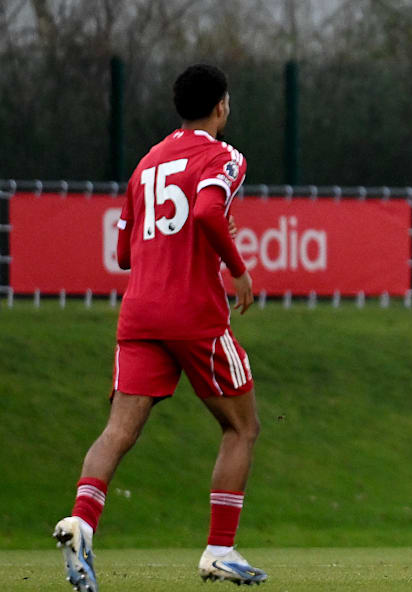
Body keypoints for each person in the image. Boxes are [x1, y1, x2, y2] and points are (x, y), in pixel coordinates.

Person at [52, 64, 267, 591]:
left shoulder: (146, 162)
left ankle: (81, 522)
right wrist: (238, 270)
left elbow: (124, 253)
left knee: (118, 431)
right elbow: (207, 214)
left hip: (140, 313)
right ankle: (220, 550)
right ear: (221, 105)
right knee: (241, 426)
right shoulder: (224, 156)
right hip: (193, 313)